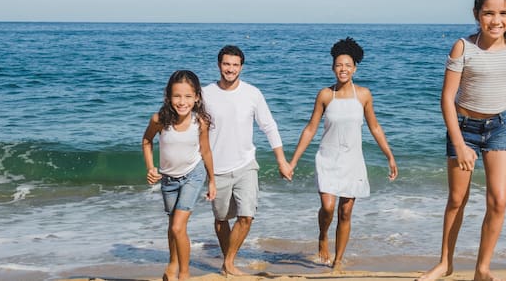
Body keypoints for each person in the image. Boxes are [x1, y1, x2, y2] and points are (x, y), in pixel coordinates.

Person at [419, 0, 506, 281]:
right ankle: (445, 263)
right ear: (476, 13)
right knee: (457, 199)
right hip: (464, 128)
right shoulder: (463, 47)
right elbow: (446, 98)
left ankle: (482, 269)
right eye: (488, 13)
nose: (495, 20)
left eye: (502, 13)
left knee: (498, 200)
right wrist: (459, 143)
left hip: (499, 127)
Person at [290, 37, 398, 271]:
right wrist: (293, 161)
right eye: (339, 65)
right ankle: (322, 236)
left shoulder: (364, 95)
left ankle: (338, 261)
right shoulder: (326, 95)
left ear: (355, 68)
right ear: (333, 67)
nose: (343, 69)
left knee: (346, 212)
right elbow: (310, 129)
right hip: (327, 158)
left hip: (352, 161)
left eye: (348, 65)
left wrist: (389, 155)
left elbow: (375, 127)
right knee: (328, 208)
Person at [202, 45, 293, 275]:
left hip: (246, 165)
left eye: (234, 65)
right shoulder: (205, 94)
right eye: (226, 64)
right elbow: (193, 129)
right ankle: (228, 261)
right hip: (217, 169)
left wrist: (282, 160)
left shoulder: (252, 93)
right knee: (221, 219)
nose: (230, 69)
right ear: (219, 65)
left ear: (241, 67)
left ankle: (229, 263)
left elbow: (269, 127)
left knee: (247, 216)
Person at [142, 70, 217, 281]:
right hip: (168, 179)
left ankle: (184, 274)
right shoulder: (159, 120)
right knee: (172, 225)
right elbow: (146, 142)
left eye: (187, 96)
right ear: (168, 97)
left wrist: (212, 180)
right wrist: (150, 168)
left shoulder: (200, 122)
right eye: (177, 96)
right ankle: (173, 262)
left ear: (196, 98)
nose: (182, 102)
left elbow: (206, 151)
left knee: (178, 226)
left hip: (193, 174)